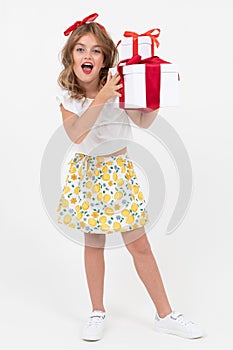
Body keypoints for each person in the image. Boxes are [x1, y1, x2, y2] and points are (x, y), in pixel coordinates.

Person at [56, 13, 204, 341]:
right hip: (88, 174)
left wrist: (154, 96)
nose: (88, 56)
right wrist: (103, 97)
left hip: (119, 173)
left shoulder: (120, 82)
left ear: (106, 57)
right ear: (71, 56)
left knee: (139, 245)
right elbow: (78, 135)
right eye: (80, 49)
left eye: (96, 51)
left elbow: (142, 122)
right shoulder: (69, 95)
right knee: (93, 243)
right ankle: (97, 311)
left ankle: (165, 314)